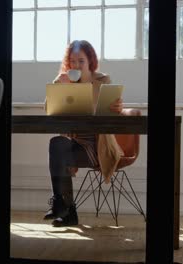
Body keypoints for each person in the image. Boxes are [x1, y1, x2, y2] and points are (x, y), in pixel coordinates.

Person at [44, 40, 124, 227]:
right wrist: (61, 87)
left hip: (98, 144)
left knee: (59, 149)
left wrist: (118, 108)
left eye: (81, 61)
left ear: (90, 61)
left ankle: (65, 210)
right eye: (72, 61)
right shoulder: (62, 80)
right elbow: (48, 109)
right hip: (75, 141)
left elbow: (111, 111)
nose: (76, 65)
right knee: (57, 143)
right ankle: (60, 203)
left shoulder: (103, 80)